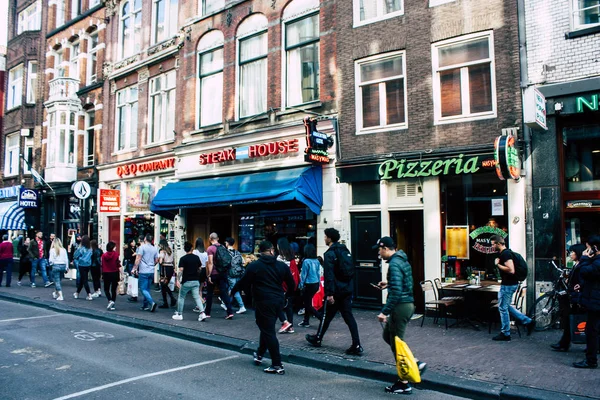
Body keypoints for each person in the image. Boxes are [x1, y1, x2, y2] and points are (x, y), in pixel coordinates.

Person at [231, 241, 295, 375]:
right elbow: (291, 284)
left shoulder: (254, 266)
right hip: (277, 300)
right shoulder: (281, 266)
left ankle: (277, 364)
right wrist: (286, 296)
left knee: (268, 331)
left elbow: (244, 283)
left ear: (260, 251)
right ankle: (260, 354)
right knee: (267, 328)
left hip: (263, 301)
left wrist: (233, 293)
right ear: (272, 250)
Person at [374, 237, 426, 394]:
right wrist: (388, 284)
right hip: (406, 304)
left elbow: (396, 292)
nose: (378, 252)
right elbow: (403, 283)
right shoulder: (401, 260)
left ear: (386, 248)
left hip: (400, 307)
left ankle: (405, 381)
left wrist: (385, 311)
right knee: (388, 337)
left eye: (379, 249)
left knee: (397, 343)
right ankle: (412, 366)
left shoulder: (394, 264)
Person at [306, 228, 363, 355]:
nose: (324, 239)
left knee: (327, 315)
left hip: (336, 291)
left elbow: (329, 275)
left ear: (330, 238)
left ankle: (318, 339)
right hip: (347, 289)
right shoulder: (345, 250)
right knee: (347, 317)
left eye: (325, 237)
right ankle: (356, 343)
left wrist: (329, 293)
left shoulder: (330, 254)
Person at [490, 235, 535, 341]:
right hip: (510, 284)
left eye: (493, 244)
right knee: (505, 306)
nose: (492, 246)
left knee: (502, 308)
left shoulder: (505, 254)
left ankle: (505, 333)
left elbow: (511, 270)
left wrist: (497, 265)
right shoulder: (506, 253)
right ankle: (528, 321)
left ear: (499, 243)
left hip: (508, 285)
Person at [552, 244, 587, 352]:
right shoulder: (576, 264)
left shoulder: (581, 266)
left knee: (574, 319)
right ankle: (564, 343)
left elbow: (582, 281)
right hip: (574, 296)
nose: (570, 254)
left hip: (577, 297)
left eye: (572, 252)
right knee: (569, 319)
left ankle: (564, 343)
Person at [573, 235, 600, 369]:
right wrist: (583, 286)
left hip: (596, 302)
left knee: (591, 330)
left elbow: (583, 271)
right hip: (595, 298)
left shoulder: (597, 262)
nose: (586, 250)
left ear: (595, 247)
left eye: (588, 247)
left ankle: (591, 360)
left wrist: (583, 258)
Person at [172, 242, 207, 321]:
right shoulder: (196, 258)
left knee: (181, 297)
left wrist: (177, 279)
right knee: (197, 297)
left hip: (186, 281)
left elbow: (181, 270)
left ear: (185, 249)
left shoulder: (183, 259)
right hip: (195, 281)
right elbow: (200, 268)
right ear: (192, 248)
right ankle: (202, 313)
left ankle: (179, 314)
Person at [205, 232, 234, 319]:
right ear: (217, 239)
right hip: (222, 273)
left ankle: (207, 313)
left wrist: (209, 275)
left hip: (214, 273)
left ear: (210, 239)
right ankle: (230, 312)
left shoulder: (210, 248)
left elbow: (210, 263)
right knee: (224, 293)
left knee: (209, 293)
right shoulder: (223, 247)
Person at [277, 237, 300, 333]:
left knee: (278, 306)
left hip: (281, 286)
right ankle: (290, 326)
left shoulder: (279, 259)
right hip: (291, 286)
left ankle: (285, 323)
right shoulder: (292, 259)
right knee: (289, 307)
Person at [298, 244, 322, 327]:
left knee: (307, 303)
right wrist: (319, 284)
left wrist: (300, 285)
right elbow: (318, 273)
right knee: (308, 302)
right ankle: (306, 321)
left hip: (308, 284)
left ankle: (320, 316)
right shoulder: (317, 260)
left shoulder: (306, 261)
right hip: (315, 283)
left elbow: (303, 275)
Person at [132, 234, 159, 312]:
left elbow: (138, 259)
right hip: (151, 271)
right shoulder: (154, 248)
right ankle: (145, 305)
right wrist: (152, 265)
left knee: (143, 289)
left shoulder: (141, 248)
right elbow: (156, 260)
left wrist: (134, 268)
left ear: (145, 239)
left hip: (143, 271)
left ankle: (152, 302)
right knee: (147, 289)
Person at [225, 237, 247, 314]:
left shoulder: (226, 252)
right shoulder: (237, 252)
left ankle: (242, 306)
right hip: (238, 273)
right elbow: (243, 262)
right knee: (232, 289)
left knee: (234, 290)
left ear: (227, 243)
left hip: (230, 273)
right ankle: (226, 303)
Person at [101, 241, 122, 311]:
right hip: (115, 273)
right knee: (113, 289)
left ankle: (110, 300)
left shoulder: (103, 256)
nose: (116, 248)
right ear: (112, 248)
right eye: (115, 246)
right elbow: (118, 264)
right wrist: (122, 273)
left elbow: (102, 265)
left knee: (106, 289)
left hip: (106, 273)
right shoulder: (116, 255)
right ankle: (112, 302)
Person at [73, 235, 94, 300]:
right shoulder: (90, 249)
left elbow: (75, 255)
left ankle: (89, 294)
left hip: (81, 265)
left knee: (84, 280)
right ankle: (77, 293)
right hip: (88, 265)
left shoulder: (81, 248)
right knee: (83, 279)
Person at [158, 239, 177, 309]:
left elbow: (160, 261)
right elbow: (173, 260)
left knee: (163, 285)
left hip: (165, 268)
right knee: (165, 285)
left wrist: (159, 258)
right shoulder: (170, 251)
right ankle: (169, 300)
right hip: (170, 268)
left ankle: (169, 300)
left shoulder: (162, 251)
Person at [192, 237, 209, 312]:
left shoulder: (195, 252)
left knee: (195, 289)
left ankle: (201, 303)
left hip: (197, 271)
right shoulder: (205, 253)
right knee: (200, 289)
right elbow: (207, 264)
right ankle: (199, 305)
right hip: (204, 270)